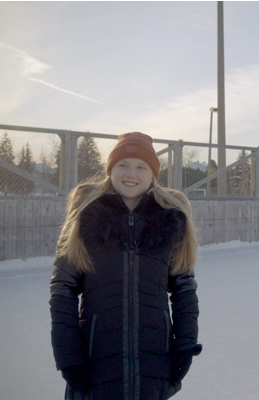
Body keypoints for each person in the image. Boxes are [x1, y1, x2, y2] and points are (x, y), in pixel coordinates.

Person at [49, 132, 202, 400]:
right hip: (95, 363)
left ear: (153, 174)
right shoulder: (85, 219)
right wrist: (68, 359)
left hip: (153, 362)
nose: (131, 173)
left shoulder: (169, 222)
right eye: (123, 165)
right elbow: (63, 291)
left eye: (141, 166)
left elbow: (184, 290)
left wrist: (185, 346)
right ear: (110, 170)